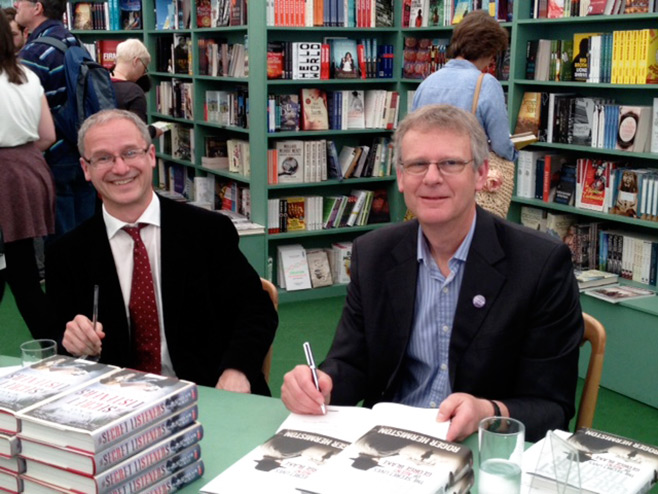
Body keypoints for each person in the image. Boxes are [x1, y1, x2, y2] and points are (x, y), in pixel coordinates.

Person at [281, 104, 584, 442]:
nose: (432, 177)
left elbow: (551, 408)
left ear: (481, 174)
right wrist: (321, 384)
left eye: (451, 163)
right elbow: (352, 363)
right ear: (400, 176)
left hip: (480, 448)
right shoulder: (374, 254)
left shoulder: (539, 263)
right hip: (387, 444)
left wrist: (489, 411)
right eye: (417, 164)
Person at [45, 109, 278, 394]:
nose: (120, 168)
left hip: (207, 392)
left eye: (130, 153)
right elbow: (55, 335)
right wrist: (71, 341)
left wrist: (237, 371)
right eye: (104, 158)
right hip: (117, 401)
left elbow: (255, 311)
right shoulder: (67, 254)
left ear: (151, 156)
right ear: (86, 169)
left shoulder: (208, 231)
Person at [17, 0, 97, 237]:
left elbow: (24, 111)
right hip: (83, 148)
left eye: (21, 1)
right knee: (88, 234)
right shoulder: (74, 41)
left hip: (53, 154)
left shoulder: (33, 52)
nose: (16, 4)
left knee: (61, 241)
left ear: (37, 7)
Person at [0, 9, 56, 339]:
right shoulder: (26, 75)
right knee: (25, 275)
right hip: (29, 171)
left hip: (5, 176)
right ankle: (56, 349)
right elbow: (47, 135)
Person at [411, 10, 516, 162]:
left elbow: (415, 137)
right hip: (465, 175)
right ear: (489, 49)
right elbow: (501, 145)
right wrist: (512, 153)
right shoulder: (486, 84)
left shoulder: (426, 84)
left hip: (431, 174)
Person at [110, 38, 161, 139]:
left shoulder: (98, 83)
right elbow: (138, 134)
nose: (143, 73)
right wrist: (153, 131)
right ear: (136, 61)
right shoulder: (133, 91)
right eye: (144, 67)